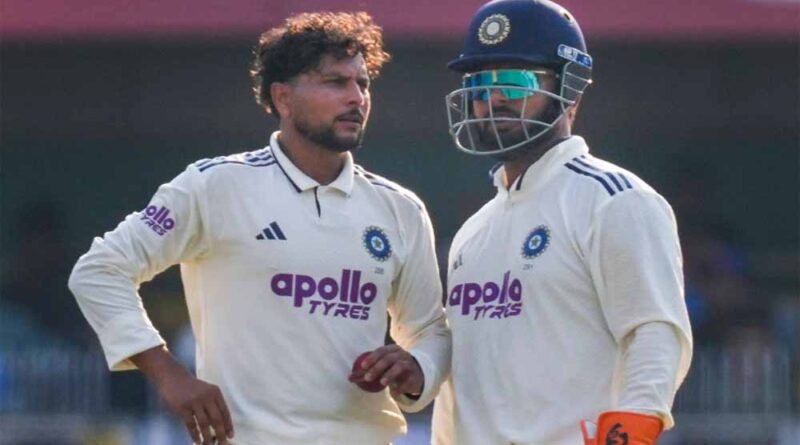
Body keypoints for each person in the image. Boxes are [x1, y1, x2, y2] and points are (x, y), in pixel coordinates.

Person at [69, 12, 450, 445]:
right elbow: (99, 270)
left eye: (362, 84)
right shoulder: (214, 186)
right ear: (283, 98)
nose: (357, 98)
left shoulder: (400, 210)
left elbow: (429, 330)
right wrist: (169, 374)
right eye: (335, 82)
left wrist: (416, 368)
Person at [431, 1, 693, 444]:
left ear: (570, 90)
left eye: (514, 81)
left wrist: (632, 430)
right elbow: (461, 387)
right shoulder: (473, 233)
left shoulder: (614, 199)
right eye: (478, 84)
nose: (493, 98)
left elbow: (655, 329)